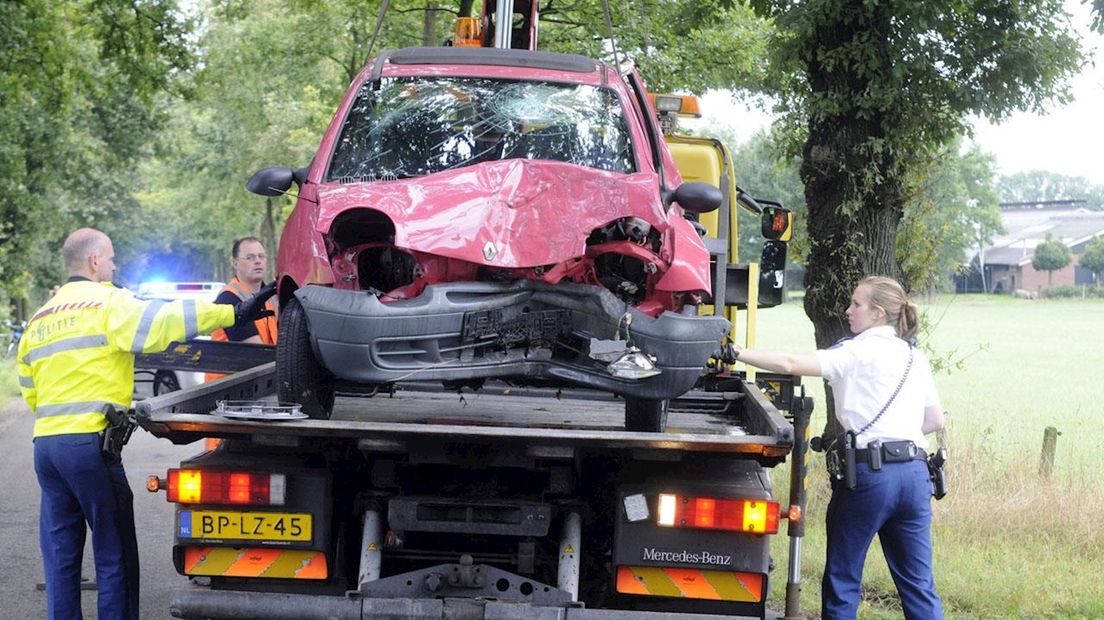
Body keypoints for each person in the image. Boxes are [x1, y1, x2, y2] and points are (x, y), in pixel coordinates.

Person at [17, 228, 276, 620]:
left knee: (60, 557)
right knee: (113, 553)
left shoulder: (40, 318)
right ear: (93, 261)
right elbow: (166, 320)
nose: (114, 265)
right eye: (111, 259)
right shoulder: (106, 303)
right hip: (89, 447)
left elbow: (30, 391)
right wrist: (231, 312)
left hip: (47, 450)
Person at [733, 275, 945, 620]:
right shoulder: (913, 356)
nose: (848, 310)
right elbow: (934, 420)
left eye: (856, 304)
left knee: (844, 579)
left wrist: (737, 352)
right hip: (915, 473)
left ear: (877, 313)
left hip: (870, 477)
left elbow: (790, 364)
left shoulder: (854, 351)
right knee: (919, 586)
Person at [204, 237, 278, 382]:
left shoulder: (271, 296)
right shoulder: (228, 298)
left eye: (261, 256)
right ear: (236, 264)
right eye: (250, 257)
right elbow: (256, 351)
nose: (257, 261)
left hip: (257, 381)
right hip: (225, 388)